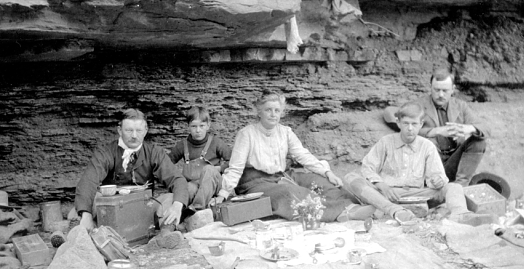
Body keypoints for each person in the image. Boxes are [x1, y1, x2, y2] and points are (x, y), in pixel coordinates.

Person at [210, 90, 373, 223]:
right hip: (254, 182)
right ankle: (342, 213)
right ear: (259, 112)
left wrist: (327, 172)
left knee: (321, 183)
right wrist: (223, 193)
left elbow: (303, 155)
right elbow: (236, 167)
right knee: (290, 193)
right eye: (268, 110)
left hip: (283, 175)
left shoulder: (285, 131)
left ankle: (349, 207)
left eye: (277, 110)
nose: (273, 114)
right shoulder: (246, 134)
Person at [344, 102, 495, 224]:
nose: (410, 128)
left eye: (414, 124)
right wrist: (382, 185)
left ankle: (461, 214)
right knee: (351, 178)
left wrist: (437, 180)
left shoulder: (427, 146)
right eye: (406, 123)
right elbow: (367, 167)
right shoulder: (386, 142)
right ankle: (394, 210)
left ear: (421, 124)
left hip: (417, 194)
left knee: (453, 187)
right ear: (398, 122)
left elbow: (439, 177)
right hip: (386, 193)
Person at [74, 109, 188, 248]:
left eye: (139, 131)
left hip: (142, 208)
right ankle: (74, 234)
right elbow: (88, 181)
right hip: (112, 209)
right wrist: (86, 214)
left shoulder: (154, 152)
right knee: (83, 207)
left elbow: (177, 179)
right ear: (119, 130)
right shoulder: (106, 152)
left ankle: (165, 234)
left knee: (171, 199)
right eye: (129, 130)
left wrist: (177, 205)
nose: (134, 136)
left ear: (146, 130)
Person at [417, 69, 490, 186]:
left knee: (478, 141)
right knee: (428, 143)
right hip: (430, 166)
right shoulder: (418, 105)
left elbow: (486, 128)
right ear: (430, 87)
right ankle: (434, 188)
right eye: (436, 90)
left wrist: (470, 128)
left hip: (454, 162)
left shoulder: (460, 106)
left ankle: (460, 186)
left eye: (445, 90)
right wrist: (434, 131)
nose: (440, 95)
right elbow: (404, 129)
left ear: (453, 89)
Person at [168, 106, 232, 211]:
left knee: (208, 169)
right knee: (187, 189)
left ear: (208, 125)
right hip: (194, 184)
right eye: (194, 126)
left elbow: (234, 162)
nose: (198, 130)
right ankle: (180, 215)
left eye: (202, 126)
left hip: (214, 185)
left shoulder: (216, 143)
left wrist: (220, 168)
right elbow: (166, 164)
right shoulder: (183, 145)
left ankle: (197, 208)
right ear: (188, 126)